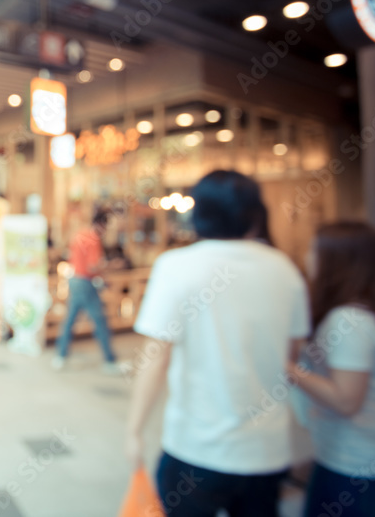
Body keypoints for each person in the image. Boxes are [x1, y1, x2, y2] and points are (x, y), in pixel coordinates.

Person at [126, 170, 311, 516]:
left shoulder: (176, 266)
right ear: (255, 215)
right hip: (266, 451)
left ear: (199, 215)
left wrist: (134, 430)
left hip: (196, 447)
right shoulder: (285, 270)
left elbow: (156, 358)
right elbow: (292, 357)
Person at [286, 222, 375, 516]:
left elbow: (346, 400)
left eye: (313, 250)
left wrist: (288, 369)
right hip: (356, 461)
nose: (307, 257)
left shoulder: (350, 322)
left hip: (357, 468)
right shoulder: (369, 312)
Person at [52, 209, 124, 374]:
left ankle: (60, 355)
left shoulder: (79, 234)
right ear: (102, 225)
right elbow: (93, 266)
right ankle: (109, 360)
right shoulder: (93, 239)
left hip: (74, 280)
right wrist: (112, 266)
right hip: (86, 282)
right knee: (100, 321)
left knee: (70, 320)